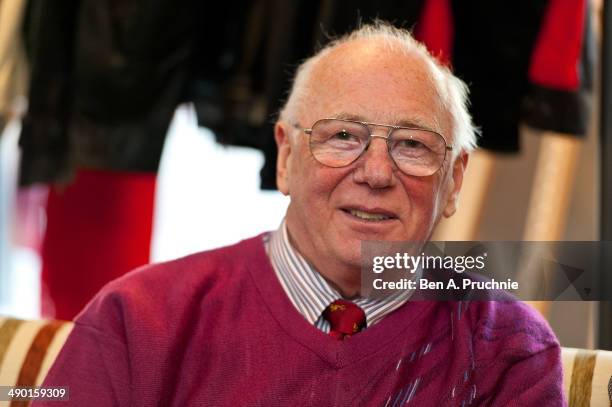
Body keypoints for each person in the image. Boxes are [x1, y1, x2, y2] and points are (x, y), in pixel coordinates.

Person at [35, 23, 564, 406]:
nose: (376, 173)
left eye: (412, 145)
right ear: (285, 158)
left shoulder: (510, 348)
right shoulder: (137, 319)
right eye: (342, 137)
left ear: (454, 181)